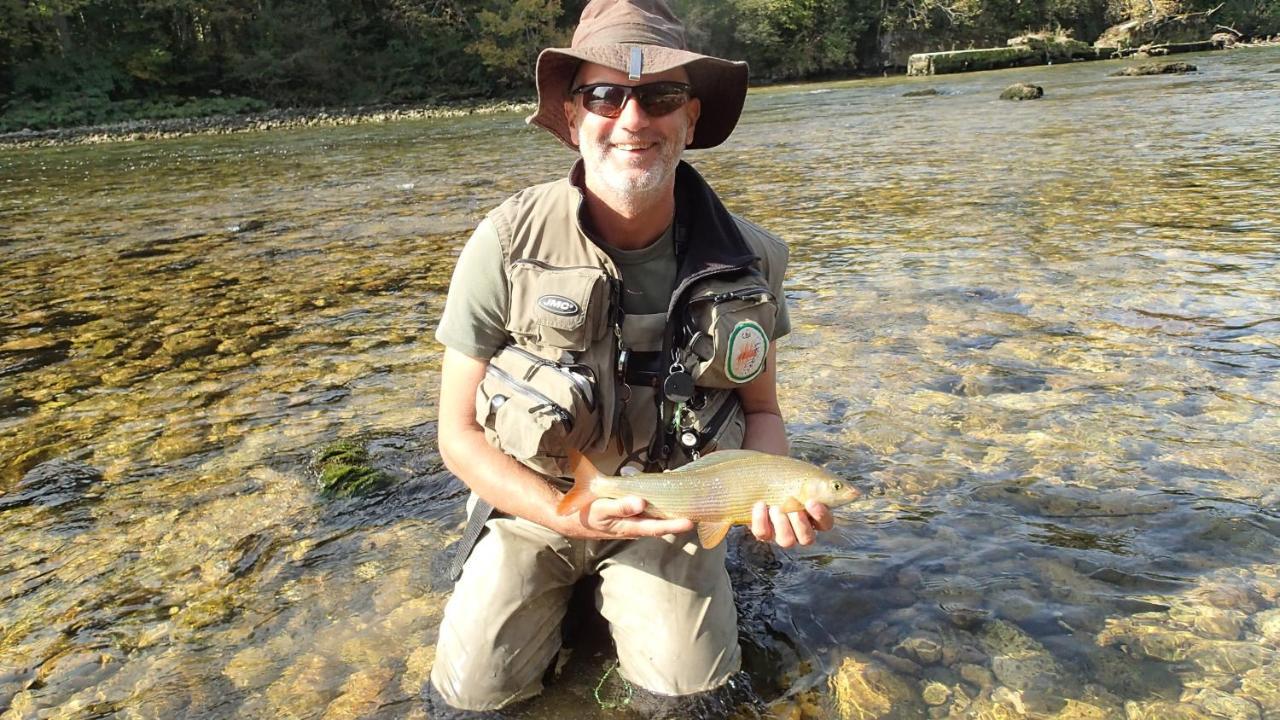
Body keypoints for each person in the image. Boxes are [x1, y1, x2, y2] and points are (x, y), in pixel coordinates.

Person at [428, 0, 837, 714]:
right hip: (536, 502)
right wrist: (566, 514)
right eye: (605, 94)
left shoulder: (751, 258)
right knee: (471, 696)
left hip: (677, 515)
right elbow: (455, 433)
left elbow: (762, 409)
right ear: (573, 114)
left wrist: (767, 497)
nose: (633, 119)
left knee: (694, 696)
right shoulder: (503, 242)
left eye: (661, 96)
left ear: (691, 119)